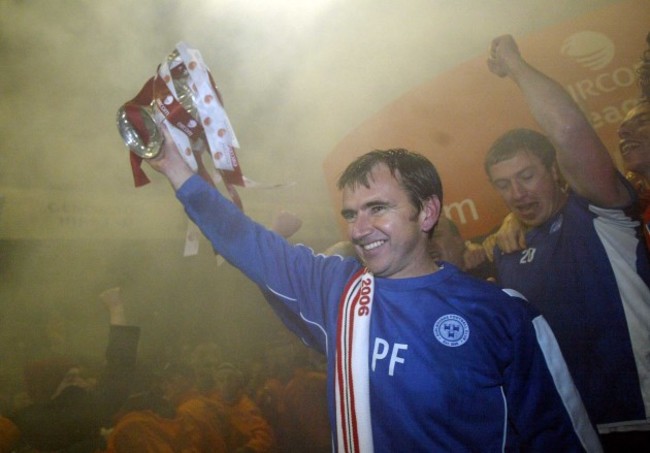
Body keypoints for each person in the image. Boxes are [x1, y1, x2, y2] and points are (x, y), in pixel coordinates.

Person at [145, 132, 602, 451]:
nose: (360, 229)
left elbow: (559, 434)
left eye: (377, 209)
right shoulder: (337, 293)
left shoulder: (502, 313)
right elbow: (247, 241)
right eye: (350, 214)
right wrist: (175, 167)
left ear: (426, 213)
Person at [484, 35, 650, 449]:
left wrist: (515, 65)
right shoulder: (509, 250)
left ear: (555, 169)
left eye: (527, 176)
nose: (518, 194)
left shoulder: (600, 210)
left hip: (641, 418)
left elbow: (569, 129)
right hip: (576, 433)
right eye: (504, 185)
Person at [6, 287, 141, 452]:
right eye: (70, 379)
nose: (79, 383)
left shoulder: (19, 422)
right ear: (48, 385)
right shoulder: (85, 410)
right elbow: (119, 370)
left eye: (79, 377)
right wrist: (116, 310)